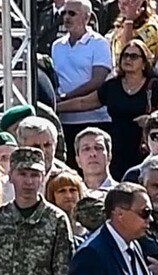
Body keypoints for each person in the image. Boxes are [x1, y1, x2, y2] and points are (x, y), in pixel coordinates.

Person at [58, 38, 158, 179]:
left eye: (134, 56)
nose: (128, 59)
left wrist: (151, 120)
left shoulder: (153, 86)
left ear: (144, 63)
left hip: (143, 147)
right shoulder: (112, 85)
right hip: (116, 147)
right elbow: (84, 103)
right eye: (125, 55)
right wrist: (56, 107)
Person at [52, 0, 113, 169]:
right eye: (64, 13)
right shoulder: (57, 46)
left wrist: (65, 99)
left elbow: (97, 80)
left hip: (94, 119)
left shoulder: (99, 43)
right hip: (65, 120)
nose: (66, 17)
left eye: (72, 13)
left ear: (87, 17)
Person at [74, 127, 117, 193]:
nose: (93, 153)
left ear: (109, 156)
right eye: (86, 149)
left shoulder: (123, 195)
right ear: (78, 160)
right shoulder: (71, 195)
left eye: (98, 148)